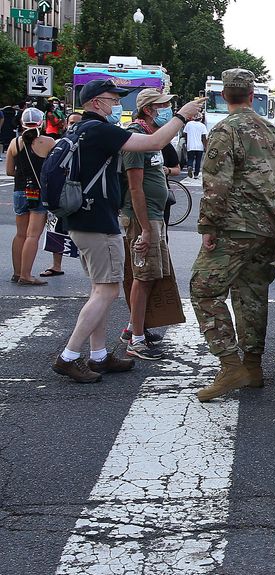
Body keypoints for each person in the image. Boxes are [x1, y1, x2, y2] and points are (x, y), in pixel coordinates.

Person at [50, 79, 203, 383]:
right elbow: (153, 143)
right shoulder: (99, 130)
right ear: (96, 102)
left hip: (84, 218)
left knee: (99, 290)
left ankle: (98, 355)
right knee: (106, 290)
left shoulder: (80, 129)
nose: (117, 104)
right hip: (96, 222)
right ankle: (69, 355)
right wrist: (182, 116)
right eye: (112, 99)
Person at [190, 68, 275, 401]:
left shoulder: (225, 130)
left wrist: (208, 226)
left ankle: (231, 366)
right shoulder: (273, 132)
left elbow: (217, 184)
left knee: (203, 290)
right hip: (265, 225)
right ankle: (252, 367)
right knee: (251, 294)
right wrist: (270, 213)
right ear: (251, 95)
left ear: (225, 95)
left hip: (234, 226)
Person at [118, 89, 180, 361]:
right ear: (148, 110)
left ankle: (134, 328)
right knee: (143, 276)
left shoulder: (151, 139)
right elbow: (135, 188)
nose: (167, 108)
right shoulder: (135, 138)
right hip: (143, 219)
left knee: (152, 274)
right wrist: (144, 227)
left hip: (154, 217)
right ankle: (136, 339)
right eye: (162, 105)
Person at [6, 108, 54, 286]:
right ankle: (27, 275)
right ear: (41, 122)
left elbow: (10, 171)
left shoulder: (14, 143)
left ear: (22, 123)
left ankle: (17, 272)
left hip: (20, 191)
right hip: (38, 191)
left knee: (20, 234)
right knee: (33, 235)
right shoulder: (48, 142)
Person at [41, 113, 85, 279]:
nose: (74, 126)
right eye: (71, 122)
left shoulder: (87, 145)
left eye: (77, 123)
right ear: (66, 124)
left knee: (84, 232)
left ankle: (89, 267)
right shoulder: (60, 144)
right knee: (56, 229)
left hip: (80, 192)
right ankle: (56, 265)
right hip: (61, 192)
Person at [183, 114, 207, 179]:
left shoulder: (189, 124)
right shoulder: (202, 126)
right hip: (199, 147)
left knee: (190, 159)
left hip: (190, 145)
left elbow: (185, 134)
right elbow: (203, 137)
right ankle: (196, 174)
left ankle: (189, 166)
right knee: (198, 161)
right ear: (201, 119)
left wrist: (186, 143)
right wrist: (206, 147)